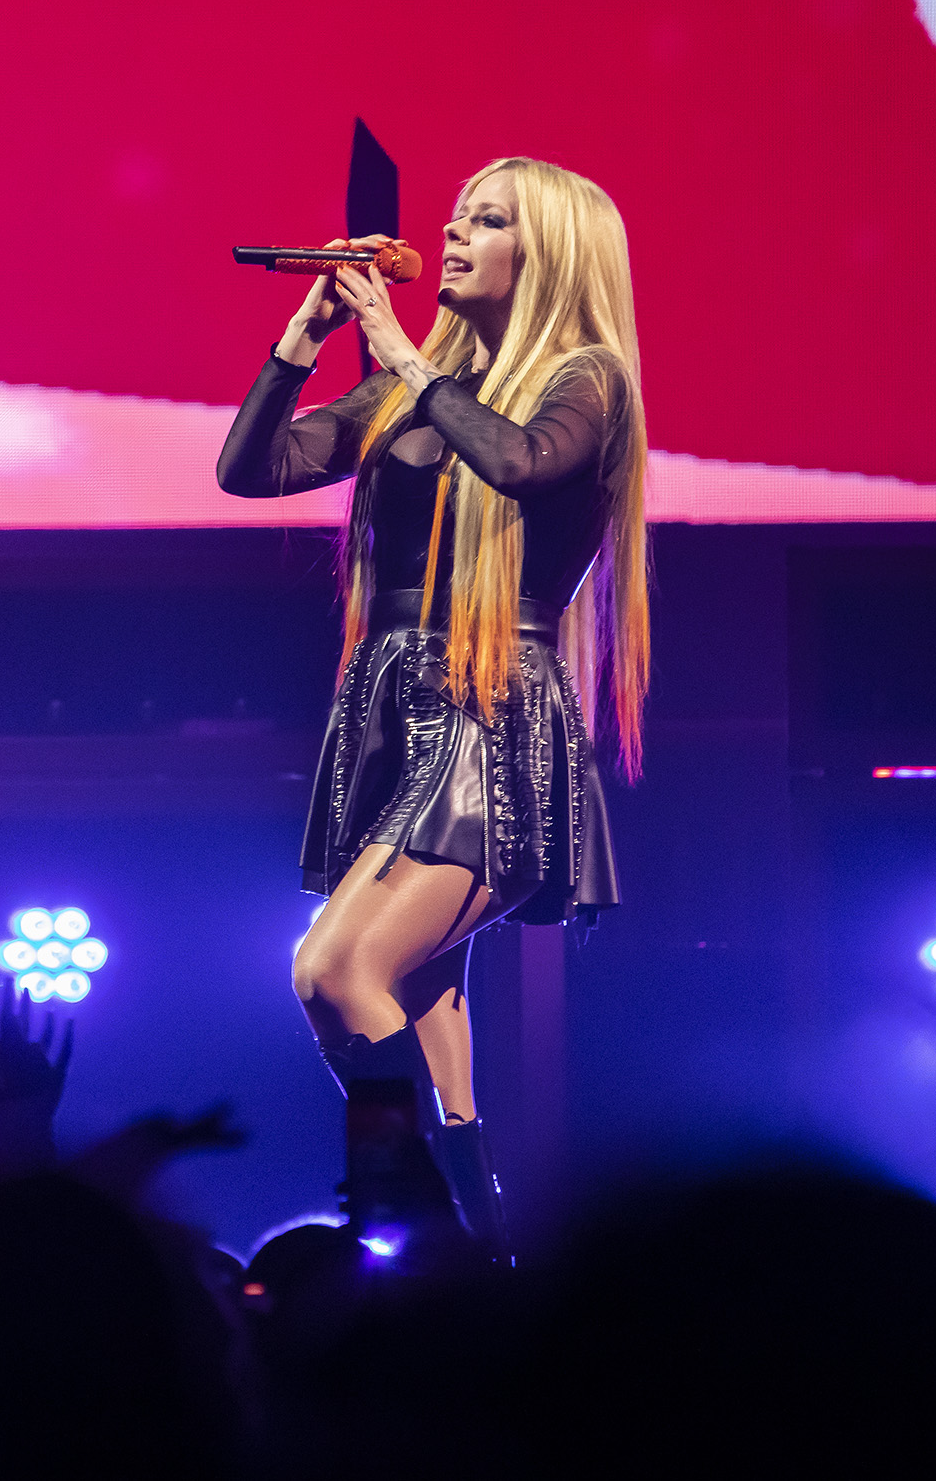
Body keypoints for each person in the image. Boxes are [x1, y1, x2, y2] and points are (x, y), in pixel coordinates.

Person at [215, 157, 651, 1254]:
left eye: (485, 221)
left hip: (487, 710)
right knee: (421, 1014)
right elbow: (251, 469)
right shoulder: (414, 387)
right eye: (455, 216)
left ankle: (417, 1214)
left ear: (546, 252)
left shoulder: (587, 379)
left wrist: (402, 356)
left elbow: (521, 461)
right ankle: (474, 1240)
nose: (452, 235)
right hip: (389, 709)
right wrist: (304, 339)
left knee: (334, 968)